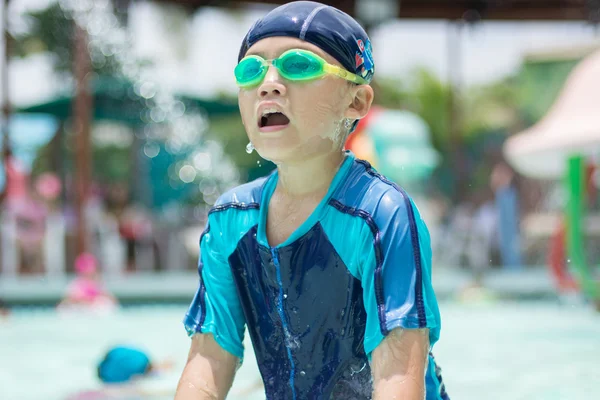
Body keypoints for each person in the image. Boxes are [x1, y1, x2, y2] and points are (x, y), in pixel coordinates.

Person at [175, 2, 448, 399]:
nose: (268, 83)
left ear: (356, 102)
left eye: (298, 65)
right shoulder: (230, 220)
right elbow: (209, 359)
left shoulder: (378, 214)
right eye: (251, 70)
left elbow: (397, 374)